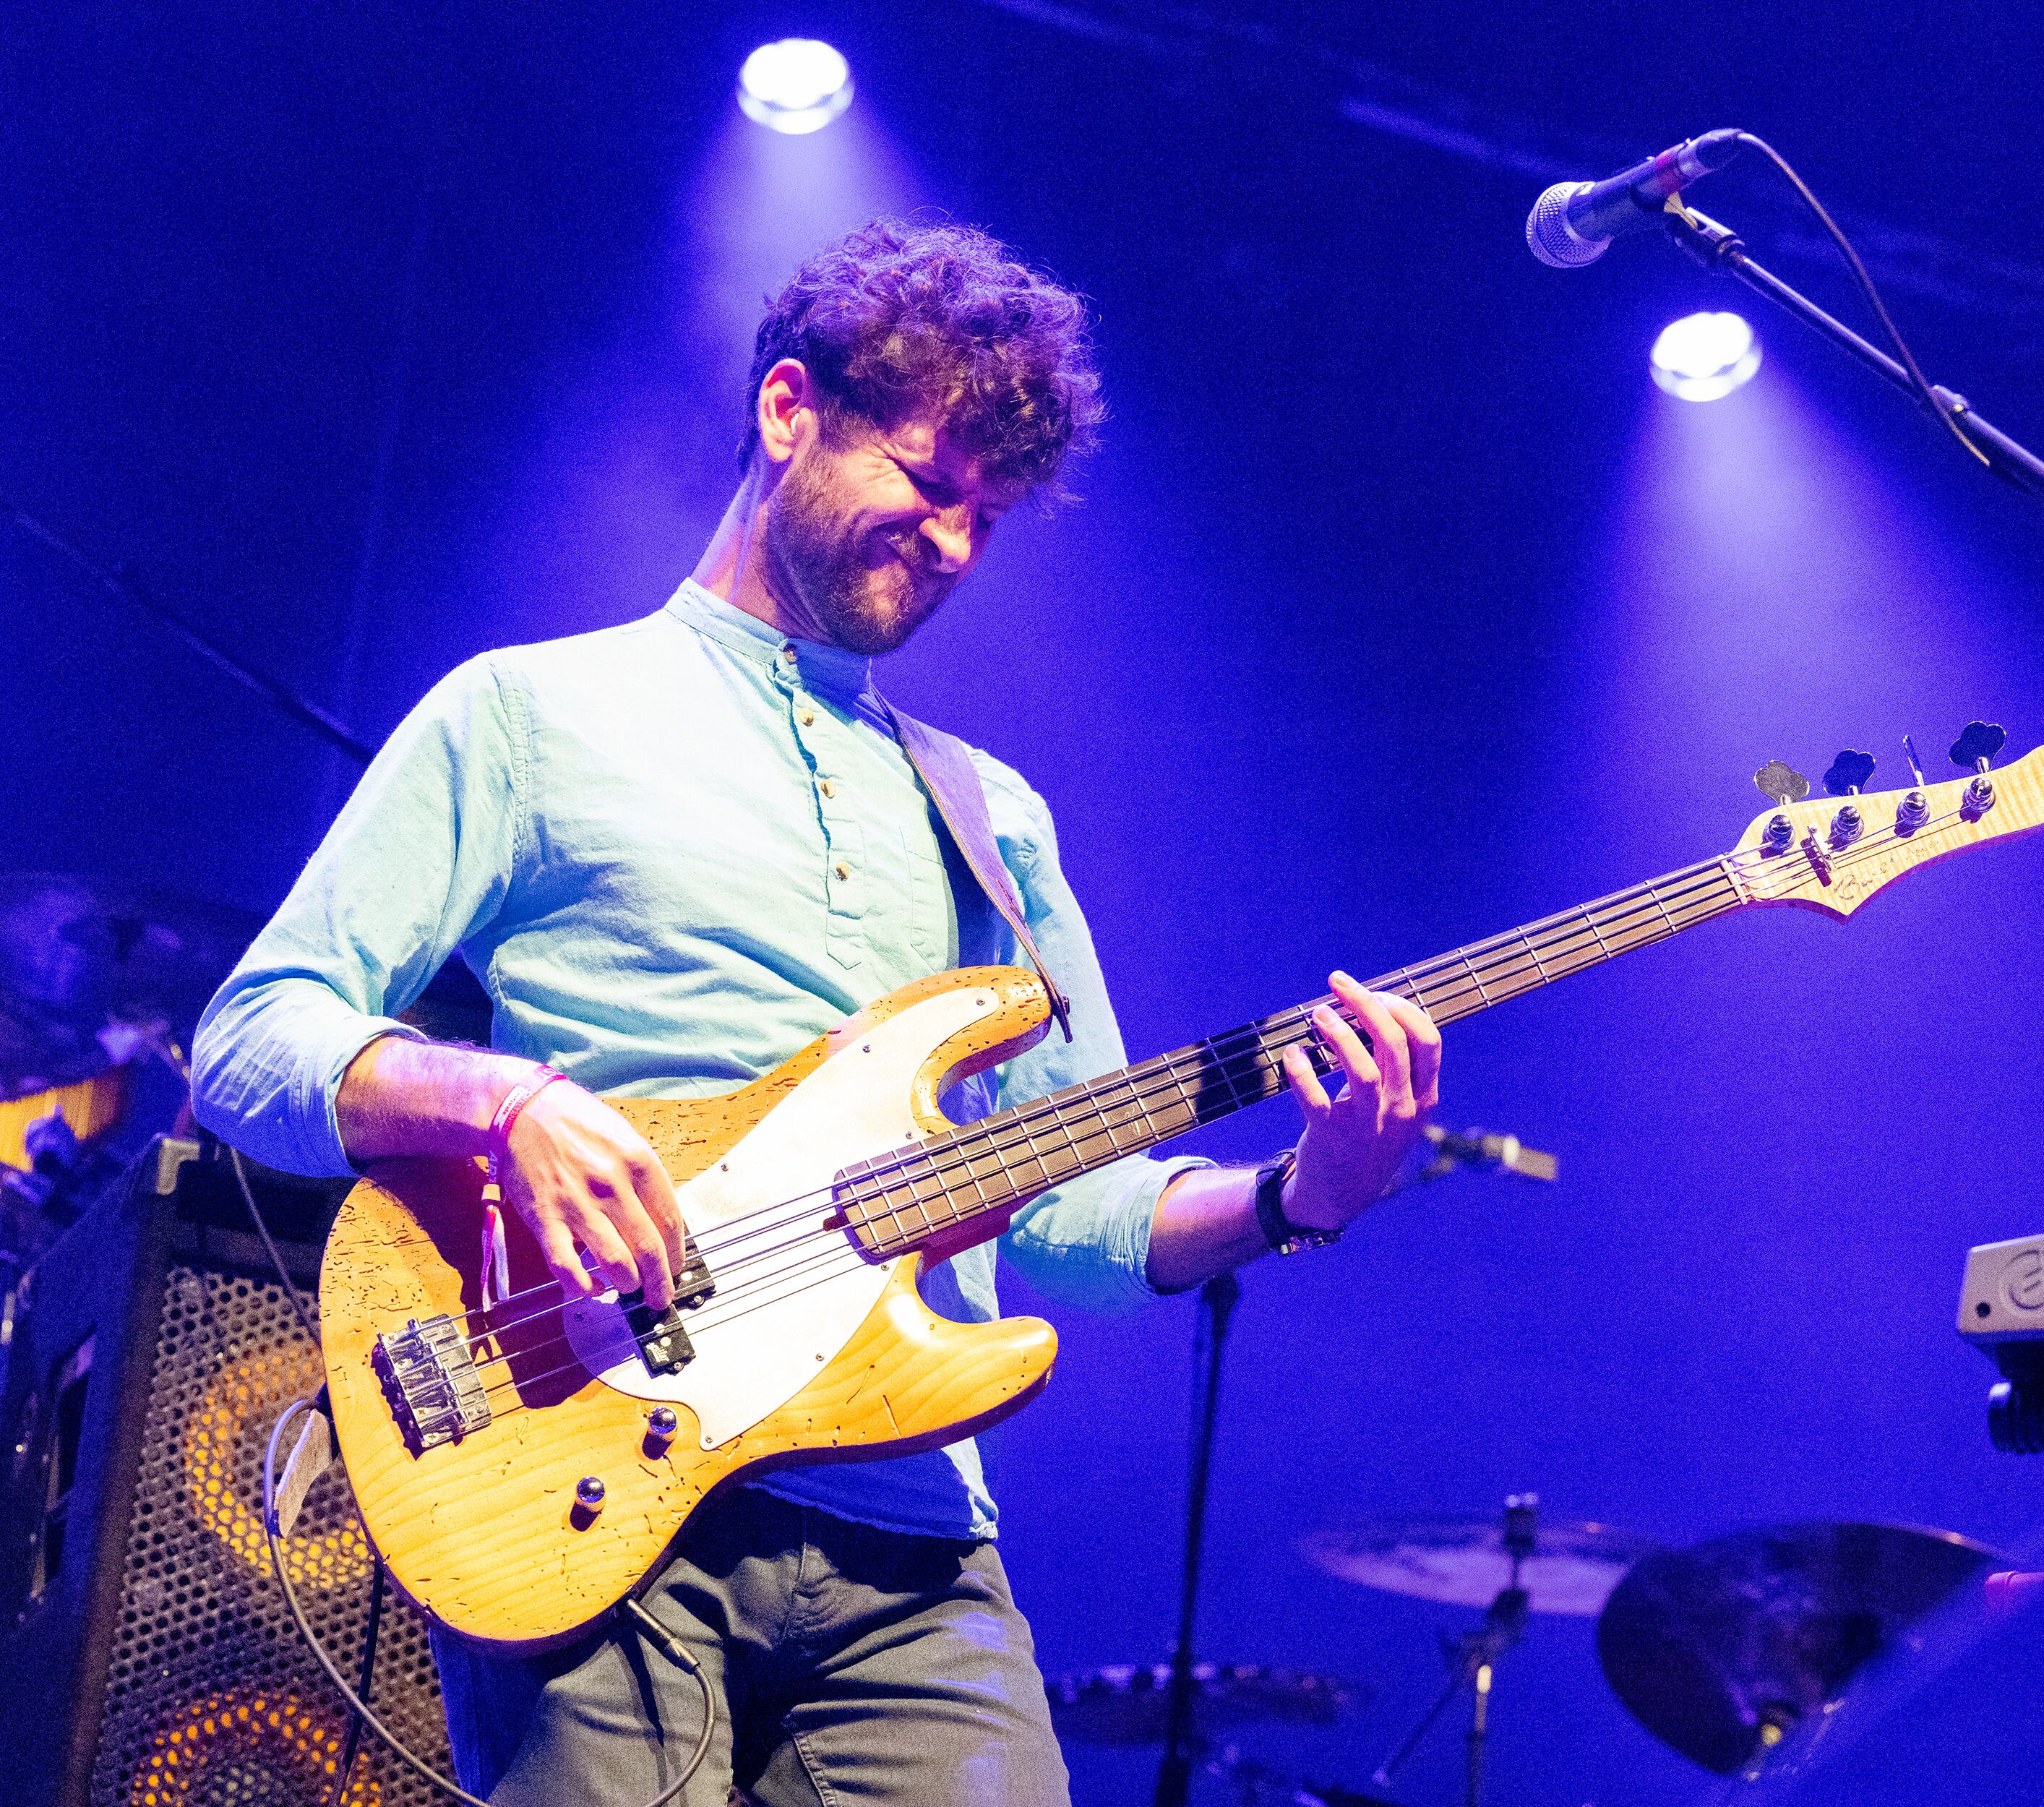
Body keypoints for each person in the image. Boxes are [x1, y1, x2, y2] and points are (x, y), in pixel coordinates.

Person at [192, 220, 1441, 1807]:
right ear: (791, 408)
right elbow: (250, 1036)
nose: (953, 544)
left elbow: (1064, 1206)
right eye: (927, 484)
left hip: (908, 1528)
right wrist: (495, 1099)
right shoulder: (525, 712)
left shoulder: (994, 815)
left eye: (986, 519)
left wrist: (1301, 1193)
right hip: (587, 1466)